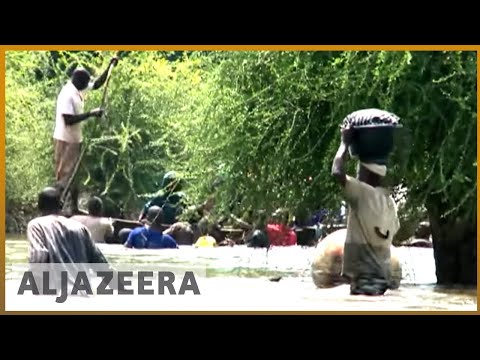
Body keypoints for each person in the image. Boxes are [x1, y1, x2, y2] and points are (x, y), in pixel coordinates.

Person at [331, 127, 400, 296]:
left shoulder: (363, 193)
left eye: (359, 171)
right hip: (383, 279)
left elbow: (336, 172)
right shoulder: (389, 202)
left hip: (364, 281)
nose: (356, 175)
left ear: (366, 174)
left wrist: (344, 143)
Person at [53, 56, 118, 213]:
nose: (87, 85)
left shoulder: (78, 88)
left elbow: (96, 84)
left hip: (75, 140)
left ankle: (74, 207)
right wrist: (91, 114)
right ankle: (56, 206)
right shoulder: (67, 94)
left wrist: (110, 66)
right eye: (85, 82)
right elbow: (68, 120)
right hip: (65, 140)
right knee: (64, 175)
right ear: (78, 81)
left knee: (75, 174)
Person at [27, 186, 118, 294]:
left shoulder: (36, 225)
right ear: (61, 205)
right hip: (84, 295)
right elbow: (101, 266)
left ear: (39, 206)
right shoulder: (80, 228)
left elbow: (39, 258)